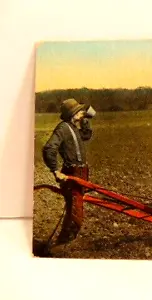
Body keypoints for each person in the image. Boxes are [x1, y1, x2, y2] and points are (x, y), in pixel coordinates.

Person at [42, 98, 95, 246]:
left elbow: (86, 135)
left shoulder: (72, 128)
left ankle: (63, 242)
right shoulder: (63, 128)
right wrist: (55, 170)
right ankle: (62, 245)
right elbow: (49, 149)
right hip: (72, 172)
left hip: (81, 172)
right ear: (73, 113)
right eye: (79, 111)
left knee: (75, 206)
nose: (82, 112)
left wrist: (85, 120)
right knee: (75, 211)